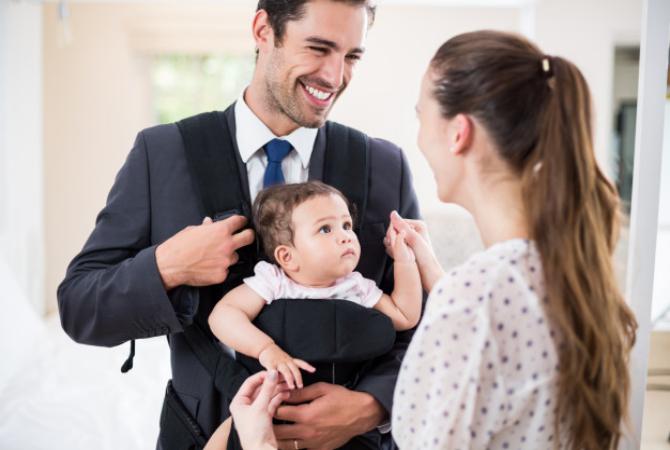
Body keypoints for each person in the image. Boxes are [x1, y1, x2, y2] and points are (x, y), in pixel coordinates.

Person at [222, 30, 638, 450]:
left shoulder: (477, 298)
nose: (418, 139)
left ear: (459, 133)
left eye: (421, 117)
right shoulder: (565, 276)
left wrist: (259, 444)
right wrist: (435, 275)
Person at [57, 1, 421, 449]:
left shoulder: (383, 165)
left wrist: (373, 404)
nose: (334, 75)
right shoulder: (162, 154)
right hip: (200, 434)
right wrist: (169, 267)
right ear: (263, 30)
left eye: (351, 57)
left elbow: (424, 324)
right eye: (319, 48)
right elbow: (79, 307)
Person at [209, 181, 422, 390]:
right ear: (287, 256)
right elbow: (223, 315)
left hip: (344, 400)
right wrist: (265, 349)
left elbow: (404, 316)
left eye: (347, 225)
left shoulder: (355, 286)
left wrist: (405, 261)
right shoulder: (275, 282)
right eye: (325, 229)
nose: (346, 237)